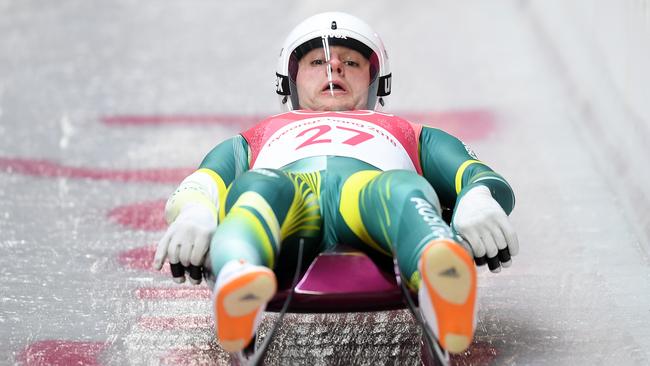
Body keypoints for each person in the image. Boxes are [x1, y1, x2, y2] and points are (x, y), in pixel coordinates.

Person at [152, 12, 518, 356]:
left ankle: (439, 267)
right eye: (316, 62)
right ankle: (239, 271)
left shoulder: (411, 132)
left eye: (353, 62)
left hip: (367, 200)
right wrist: (195, 212)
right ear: (292, 82)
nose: (335, 66)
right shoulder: (255, 137)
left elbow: (476, 174)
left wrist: (479, 199)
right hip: (292, 205)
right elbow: (203, 182)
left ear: (375, 83)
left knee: (403, 188)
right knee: (260, 186)